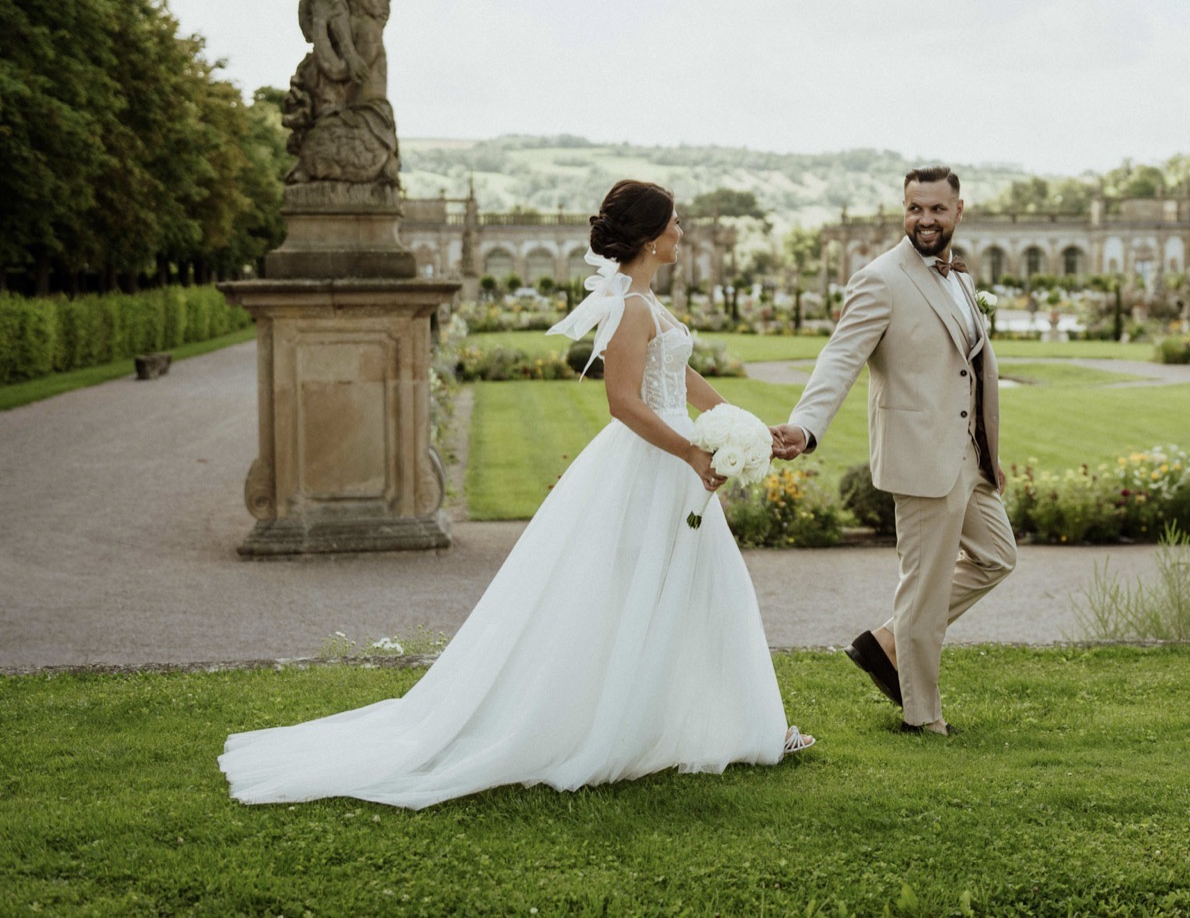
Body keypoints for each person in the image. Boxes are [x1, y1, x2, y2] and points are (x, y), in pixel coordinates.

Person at [219, 180, 812, 809]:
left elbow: (685, 378)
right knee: (652, 591)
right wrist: (692, 452)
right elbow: (624, 404)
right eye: (674, 223)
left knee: (695, 589)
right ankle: (697, 726)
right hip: (652, 466)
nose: (682, 231)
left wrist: (750, 428)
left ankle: (726, 724)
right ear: (648, 237)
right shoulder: (633, 309)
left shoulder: (647, 303)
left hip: (673, 466)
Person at [771, 166, 1016, 736]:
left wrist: (990, 450)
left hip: (968, 455)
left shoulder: (956, 277)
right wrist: (806, 427)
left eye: (935, 209)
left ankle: (885, 642)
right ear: (903, 211)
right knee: (924, 589)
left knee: (998, 557)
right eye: (914, 209)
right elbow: (840, 358)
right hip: (920, 457)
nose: (924, 220)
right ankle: (922, 715)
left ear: (958, 211)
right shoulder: (881, 279)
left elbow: (970, 368)